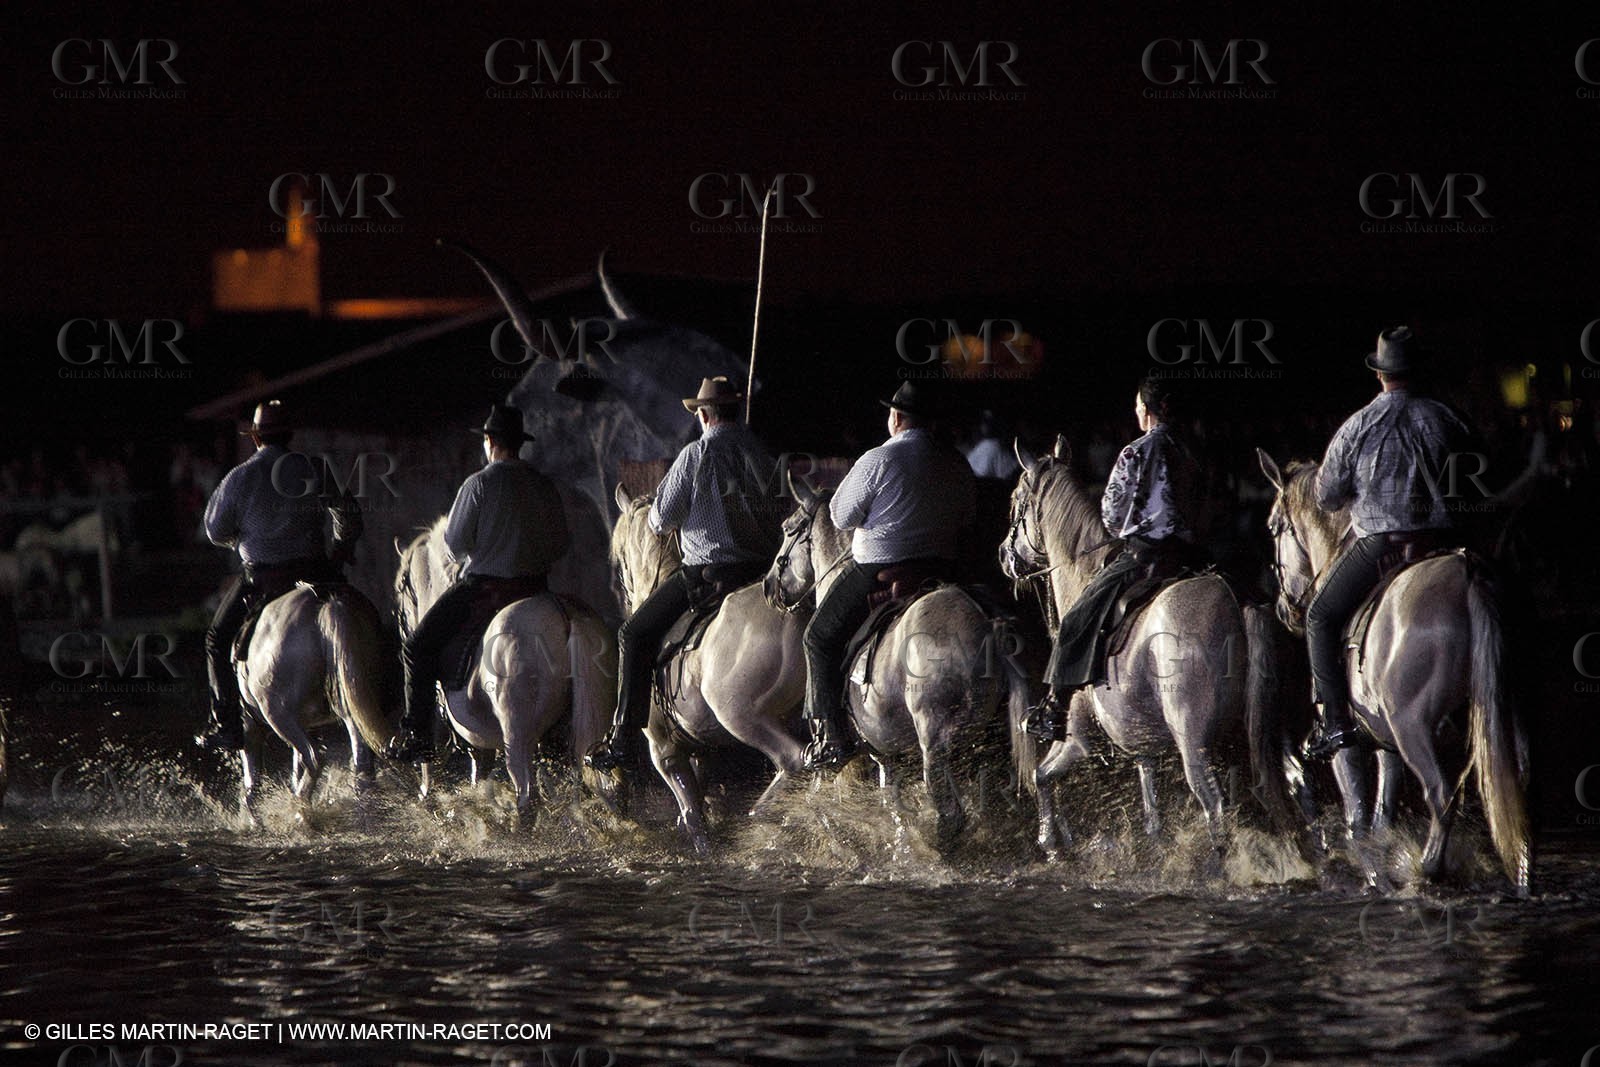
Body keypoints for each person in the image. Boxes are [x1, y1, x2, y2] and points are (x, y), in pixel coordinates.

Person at [584, 376, 783, 773]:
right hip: (764, 573)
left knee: (633, 634)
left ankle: (624, 738)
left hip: (709, 575)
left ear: (705, 415)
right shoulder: (761, 453)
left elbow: (659, 521)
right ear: (735, 411)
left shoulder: (696, 453)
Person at [1302, 326, 1475, 760]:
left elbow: (1325, 496)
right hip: (1442, 544)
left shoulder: (1358, 425)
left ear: (1379, 375)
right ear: (1416, 372)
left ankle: (1336, 723)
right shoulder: (1447, 419)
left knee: (1320, 616)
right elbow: (1478, 484)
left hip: (1380, 547)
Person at [802, 382, 977, 769]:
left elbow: (840, 516)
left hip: (880, 571)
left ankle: (831, 737)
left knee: (818, 637)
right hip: (944, 572)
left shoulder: (878, 459)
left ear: (896, 417)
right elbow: (968, 516)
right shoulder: (956, 461)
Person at [387, 405, 570, 763]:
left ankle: (419, 737)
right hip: (537, 591)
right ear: (519, 443)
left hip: (486, 591)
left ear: (489, 442)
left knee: (417, 647)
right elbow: (561, 544)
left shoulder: (479, 484)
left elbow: (453, 545)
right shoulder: (543, 484)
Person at [1027, 375, 1202, 742]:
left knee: (1076, 618)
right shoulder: (1189, 449)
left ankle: (1054, 710)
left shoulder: (1135, 451)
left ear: (1146, 410)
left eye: (1138, 406)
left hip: (1145, 557)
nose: (1136, 412)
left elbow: (1110, 514)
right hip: (1191, 555)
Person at [198, 400, 363, 752]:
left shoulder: (239, 477)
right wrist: (339, 552)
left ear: (255, 437)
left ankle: (226, 724)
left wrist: (239, 539)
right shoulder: (314, 468)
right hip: (316, 574)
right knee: (363, 620)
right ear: (289, 435)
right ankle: (386, 697)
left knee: (215, 639)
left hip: (264, 579)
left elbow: (214, 530)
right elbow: (348, 514)